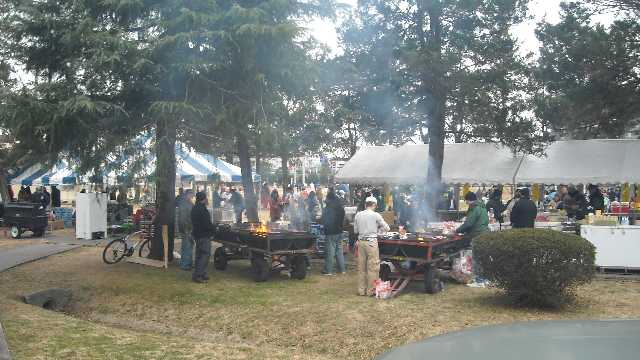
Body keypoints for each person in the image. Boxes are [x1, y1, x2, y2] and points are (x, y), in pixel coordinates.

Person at [353, 196, 390, 296]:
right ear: (374, 205)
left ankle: (361, 290)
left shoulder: (358, 215)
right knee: (373, 267)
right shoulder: (376, 215)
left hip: (361, 242)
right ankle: (371, 291)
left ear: (365, 204)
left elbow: (355, 231)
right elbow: (387, 228)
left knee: (361, 268)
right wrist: (378, 230)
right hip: (371, 243)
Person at [191, 192, 215, 283]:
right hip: (203, 235)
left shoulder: (195, 208)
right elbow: (206, 223)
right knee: (205, 254)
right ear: (204, 199)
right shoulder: (202, 209)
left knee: (199, 255)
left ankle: (200, 273)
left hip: (197, 234)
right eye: (206, 198)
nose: (207, 200)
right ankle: (198, 275)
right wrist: (213, 229)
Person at [321, 190, 346, 276]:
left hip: (331, 232)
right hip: (340, 231)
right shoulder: (341, 207)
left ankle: (328, 270)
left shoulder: (328, 208)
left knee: (330, 252)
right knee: (339, 251)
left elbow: (324, 220)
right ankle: (342, 269)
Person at [178, 190, 195, 271]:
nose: (193, 196)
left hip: (189, 228)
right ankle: (185, 265)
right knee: (186, 246)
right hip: (186, 228)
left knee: (189, 246)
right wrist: (185, 229)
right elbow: (183, 218)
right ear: (188, 194)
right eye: (192, 195)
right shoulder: (184, 203)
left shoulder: (188, 202)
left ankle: (188, 263)